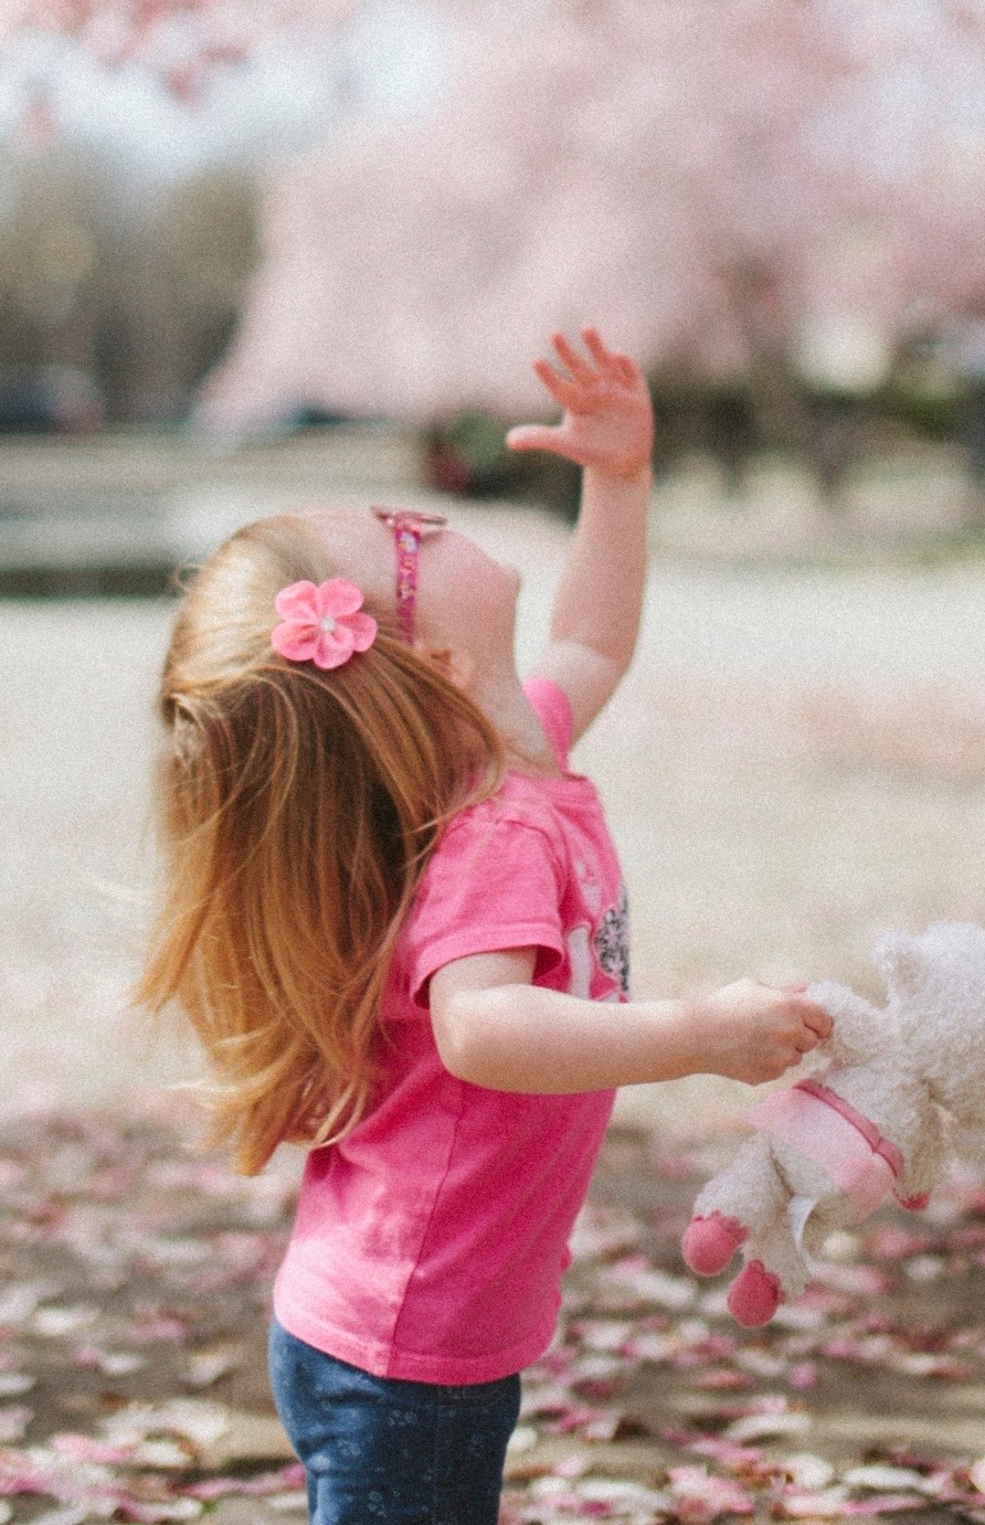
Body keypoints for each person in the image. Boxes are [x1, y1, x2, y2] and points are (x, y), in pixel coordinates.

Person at [137, 327, 832, 1525]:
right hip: (407, 1347)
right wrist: (700, 1031)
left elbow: (598, 638)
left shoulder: (517, 747)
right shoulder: (490, 831)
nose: (424, 513)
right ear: (442, 659)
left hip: (401, 1321)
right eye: (406, 541)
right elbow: (485, 1026)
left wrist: (617, 479)